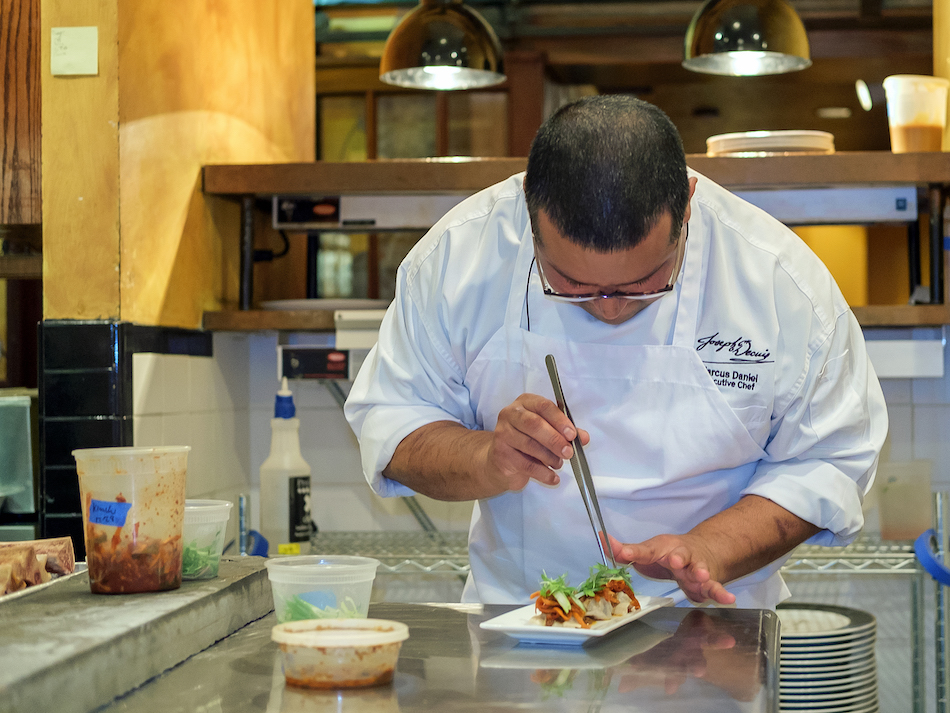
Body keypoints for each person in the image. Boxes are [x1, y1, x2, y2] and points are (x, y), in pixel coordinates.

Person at [345, 95, 887, 609]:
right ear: (527, 209)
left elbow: (830, 459)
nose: (608, 309)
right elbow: (394, 423)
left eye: (642, 285)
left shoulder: (780, 283)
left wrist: (713, 547)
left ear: (689, 203)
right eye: (573, 285)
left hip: (716, 637)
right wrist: (487, 457)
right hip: (517, 629)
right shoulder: (457, 258)